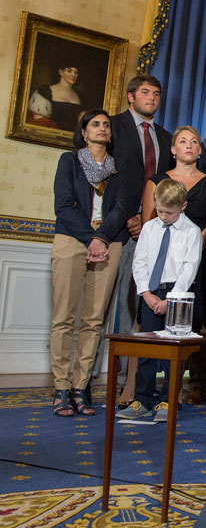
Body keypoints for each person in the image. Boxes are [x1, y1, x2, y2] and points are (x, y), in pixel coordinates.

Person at [49, 109, 129, 417]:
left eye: (106, 125)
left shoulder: (118, 169)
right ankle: (60, 387)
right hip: (71, 239)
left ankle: (80, 387)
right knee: (63, 319)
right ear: (84, 132)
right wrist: (90, 238)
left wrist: (102, 238)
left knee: (94, 320)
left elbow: (122, 208)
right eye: (95, 124)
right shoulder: (68, 162)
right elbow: (63, 205)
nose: (102, 128)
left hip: (109, 243)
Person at [104, 75, 173, 406]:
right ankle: (96, 381)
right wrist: (128, 215)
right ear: (130, 96)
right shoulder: (113, 127)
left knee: (138, 305)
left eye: (157, 94)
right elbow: (107, 174)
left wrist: (148, 220)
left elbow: (165, 186)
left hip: (154, 231)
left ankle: (130, 382)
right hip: (116, 228)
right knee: (111, 307)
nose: (152, 98)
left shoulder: (165, 137)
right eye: (145, 92)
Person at [140, 125, 206, 405]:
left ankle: (195, 384)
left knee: (196, 323)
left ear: (199, 149)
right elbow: (148, 220)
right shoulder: (158, 180)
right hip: (161, 263)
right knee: (151, 324)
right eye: (182, 141)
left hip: (196, 257)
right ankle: (141, 390)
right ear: (172, 149)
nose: (188, 145)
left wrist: (193, 247)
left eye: (194, 142)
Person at [117, 179, 202, 422]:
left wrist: (171, 300)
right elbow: (140, 262)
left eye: (169, 212)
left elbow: (189, 269)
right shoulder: (150, 228)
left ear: (183, 206)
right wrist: (145, 293)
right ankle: (143, 399)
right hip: (150, 293)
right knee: (147, 350)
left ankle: (168, 399)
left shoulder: (191, 232)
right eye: (160, 210)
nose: (163, 216)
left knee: (172, 352)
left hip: (176, 296)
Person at [29, 65, 82, 131]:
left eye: (76, 72)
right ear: (61, 72)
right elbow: (38, 122)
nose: (73, 75)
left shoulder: (79, 95)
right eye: (69, 71)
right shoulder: (45, 92)